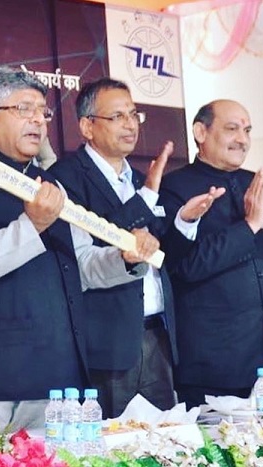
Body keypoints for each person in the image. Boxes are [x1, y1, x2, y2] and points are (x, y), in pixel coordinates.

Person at [0, 68, 162, 434]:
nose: (38, 120)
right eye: (23, 109)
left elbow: (82, 266)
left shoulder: (50, 185)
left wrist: (125, 259)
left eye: (43, 112)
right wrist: (30, 228)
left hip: (56, 387)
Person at [48, 77, 177, 418]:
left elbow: (155, 250)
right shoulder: (65, 178)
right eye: (118, 116)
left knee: (167, 439)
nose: (130, 124)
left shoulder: (136, 177)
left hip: (156, 336)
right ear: (87, 126)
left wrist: (185, 222)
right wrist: (147, 195)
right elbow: (92, 251)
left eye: (134, 115)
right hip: (106, 341)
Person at [159, 99, 263, 409]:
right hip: (213, 362)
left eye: (247, 130)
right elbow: (184, 266)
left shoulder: (255, 183)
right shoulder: (174, 187)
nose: (242, 139)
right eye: (231, 129)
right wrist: (249, 225)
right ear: (201, 131)